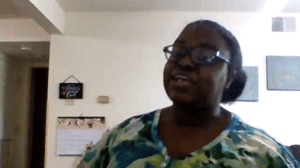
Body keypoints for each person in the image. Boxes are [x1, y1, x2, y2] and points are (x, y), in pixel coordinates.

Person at [77, 20, 300, 168]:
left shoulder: (265, 156)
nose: (184, 62)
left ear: (230, 76)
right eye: (178, 52)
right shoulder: (122, 137)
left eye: (205, 55)